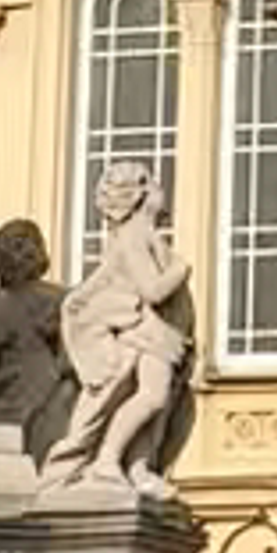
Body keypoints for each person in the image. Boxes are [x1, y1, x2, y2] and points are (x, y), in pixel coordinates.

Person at [49, 161, 198, 484]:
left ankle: (138, 467)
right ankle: (108, 457)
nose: (162, 193)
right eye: (155, 186)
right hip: (147, 334)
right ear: (141, 195)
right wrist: (180, 270)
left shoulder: (144, 235)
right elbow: (152, 290)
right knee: (152, 397)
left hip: (166, 336)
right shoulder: (132, 237)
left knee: (158, 411)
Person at [0, 214, 74, 457]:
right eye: (13, 247)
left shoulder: (53, 299)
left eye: (21, 247)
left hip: (33, 398)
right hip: (22, 398)